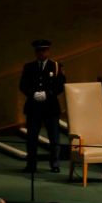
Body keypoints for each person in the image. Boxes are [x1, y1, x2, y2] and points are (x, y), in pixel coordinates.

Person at [19, 39, 66, 173]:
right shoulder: (28, 67)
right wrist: (32, 94)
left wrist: (48, 94)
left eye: (44, 50)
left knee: (54, 138)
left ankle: (55, 164)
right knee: (32, 138)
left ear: (48, 51)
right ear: (35, 52)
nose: (41, 53)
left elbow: (60, 84)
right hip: (33, 107)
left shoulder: (56, 66)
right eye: (38, 51)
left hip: (50, 107)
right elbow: (22, 85)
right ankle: (31, 164)